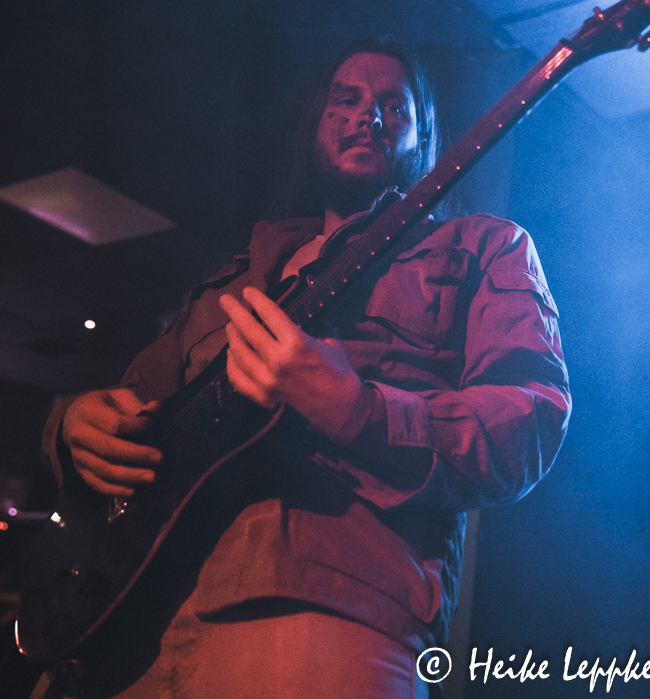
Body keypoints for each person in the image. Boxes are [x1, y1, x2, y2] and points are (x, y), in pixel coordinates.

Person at [35, 39, 570, 699]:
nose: (367, 115)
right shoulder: (229, 279)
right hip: (130, 621)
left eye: (393, 106)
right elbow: (133, 401)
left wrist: (360, 411)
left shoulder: (484, 246)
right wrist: (72, 428)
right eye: (346, 99)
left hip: (326, 606)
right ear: (313, 124)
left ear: (424, 136)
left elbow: (528, 424)